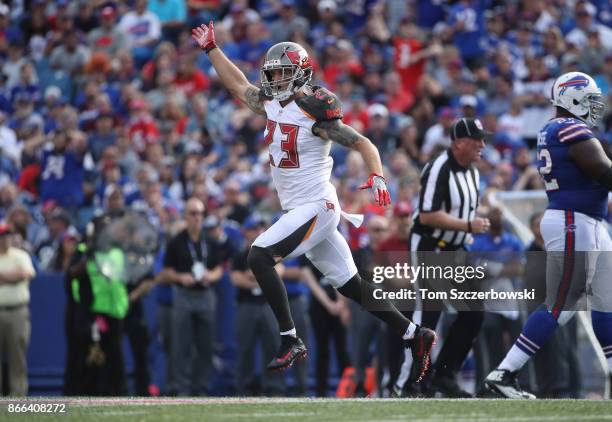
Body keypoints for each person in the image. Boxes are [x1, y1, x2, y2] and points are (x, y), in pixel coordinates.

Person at [191, 22, 436, 381]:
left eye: (283, 73)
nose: (275, 80)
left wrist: (377, 175)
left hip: (318, 205)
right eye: (272, 73)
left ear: (302, 73)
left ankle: (290, 339)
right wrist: (211, 48)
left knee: (258, 256)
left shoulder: (312, 109)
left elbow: (362, 142)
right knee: (352, 285)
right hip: (301, 208)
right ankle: (415, 334)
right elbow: (238, 85)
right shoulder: (272, 103)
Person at [485, 71, 612, 399]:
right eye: (590, 99)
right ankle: (505, 372)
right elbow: (602, 170)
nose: (596, 106)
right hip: (573, 220)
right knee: (562, 303)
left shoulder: (561, 128)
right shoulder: (567, 127)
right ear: (572, 97)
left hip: (589, 220)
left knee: (605, 301)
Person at [403, 117, 491, 398]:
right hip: (432, 245)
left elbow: (462, 210)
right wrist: (467, 225)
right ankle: (413, 382)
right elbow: (428, 214)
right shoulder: (439, 166)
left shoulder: (473, 172)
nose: (482, 145)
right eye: (477, 140)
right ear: (458, 143)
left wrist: (469, 225)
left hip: (455, 249)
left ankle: (444, 374)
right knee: (430, 312)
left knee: (473, 312)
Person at [159, 197, 223, 396]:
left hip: (205, 294)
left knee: (205, 344)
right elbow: (165, 272)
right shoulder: (176, 242)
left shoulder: (211, 242)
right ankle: (182, 387)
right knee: (181, 344)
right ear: (185, 216)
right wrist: (180, 276)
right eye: (192, 213)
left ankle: (201, 387)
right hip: (183, 295)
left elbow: (219, 269)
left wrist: (209, 276)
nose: (197, 218)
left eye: (200, 213)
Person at [0, 223, 36, 396]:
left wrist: (3, 277)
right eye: (2, 236)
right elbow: (18, 275)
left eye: (7, 235)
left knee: (18, 356)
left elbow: (26, 274)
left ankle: (18, 397)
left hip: (17, 311)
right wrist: (13, 276)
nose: (5, 239)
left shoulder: (21, 255)